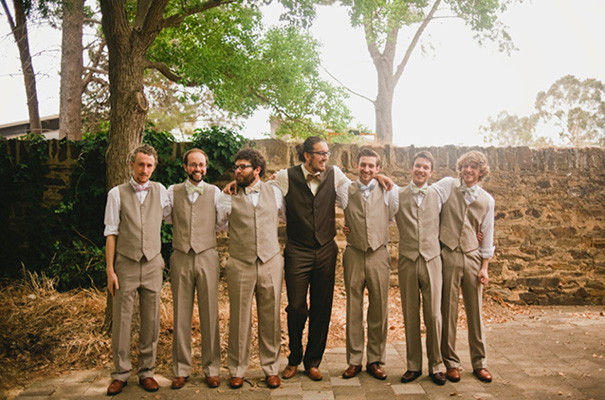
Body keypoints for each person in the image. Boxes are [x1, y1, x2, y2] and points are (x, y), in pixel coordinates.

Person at [271, 137, 393, 381]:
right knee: (296, 307)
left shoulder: (335, 174)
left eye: (327, 153)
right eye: (321, 153)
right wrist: (235, 184)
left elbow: (358, 190)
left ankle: (313, 361)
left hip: (326, 249)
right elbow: (263, 195)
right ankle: (294, 357)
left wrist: (377, 176)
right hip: (297, 250)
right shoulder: (285, 176)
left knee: (322, 306)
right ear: (307, 155)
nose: (326, 158)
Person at [216, 148, 285, 390]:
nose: (238, 170)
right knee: (239, 317)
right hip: (240, 262)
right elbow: (219, 225)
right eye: (236, 166)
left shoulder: (275, 191)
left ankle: (271, 368)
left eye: (243, 166)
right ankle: (237, 369)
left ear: (257, 169)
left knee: (271, 317)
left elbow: (284, 217)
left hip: (270, 261)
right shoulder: (227, 195)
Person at [104, 144, 170, 396]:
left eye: (149, 165)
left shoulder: (162, 191)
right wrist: (110, 270)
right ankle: (120, 373)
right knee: (122, 320)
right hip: (126, 263)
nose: (144, 170)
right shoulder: (116, 194)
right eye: (141, 164)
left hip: (153, 263)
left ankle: (147, 372)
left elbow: (180, 213)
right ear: (131, 165)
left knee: (151, 320)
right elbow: (111, 232)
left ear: (154, 167)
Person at [432, 150, 495, 383]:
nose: (468, 170)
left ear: (481, 171)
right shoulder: (447, 185)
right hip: (448, 254)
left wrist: (484, 266)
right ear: (460, 168)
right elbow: (424, 196)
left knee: (475, 312)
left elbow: (487, 233)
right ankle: (451, 362)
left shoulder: (487, 200)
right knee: (448, 311)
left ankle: (480, 362)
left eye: (473, 167)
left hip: (472, 257)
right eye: (465, 166)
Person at [338, 149, 398, 380]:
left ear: (378, 168)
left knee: (379, 308)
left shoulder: (388, 191)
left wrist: (384, 180)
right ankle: (354, 361)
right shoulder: (345, 189)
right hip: (354, 252)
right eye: (363, 165)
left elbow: (392, 216)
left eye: (371, 166)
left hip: (378, 253)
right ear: (356, 166)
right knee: (353, 308)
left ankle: (375, 360)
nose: (366, 169)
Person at [166, 148, 222, 390]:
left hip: (207, 255)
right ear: (185, 167)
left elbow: (221, 223)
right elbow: (167, 218)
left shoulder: (215, 192)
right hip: (180, 255)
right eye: (193, 164)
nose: (197, 169)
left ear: (206, 168)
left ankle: (212, 369)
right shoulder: (171, 192)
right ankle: (181, 369)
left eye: (201, 165)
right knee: (181, 314)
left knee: (210, 314)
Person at [395, 150, 447, 386]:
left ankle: (436, 365)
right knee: (410, 313)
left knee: (434, 315)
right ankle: (413, 365)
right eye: (418, 166)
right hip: (407, 259)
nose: (421, 170)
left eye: (426, 167)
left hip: (432, 259)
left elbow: (456, 216)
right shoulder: (397, 195)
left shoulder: (439, 194)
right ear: (411, 167)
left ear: (431, 172)